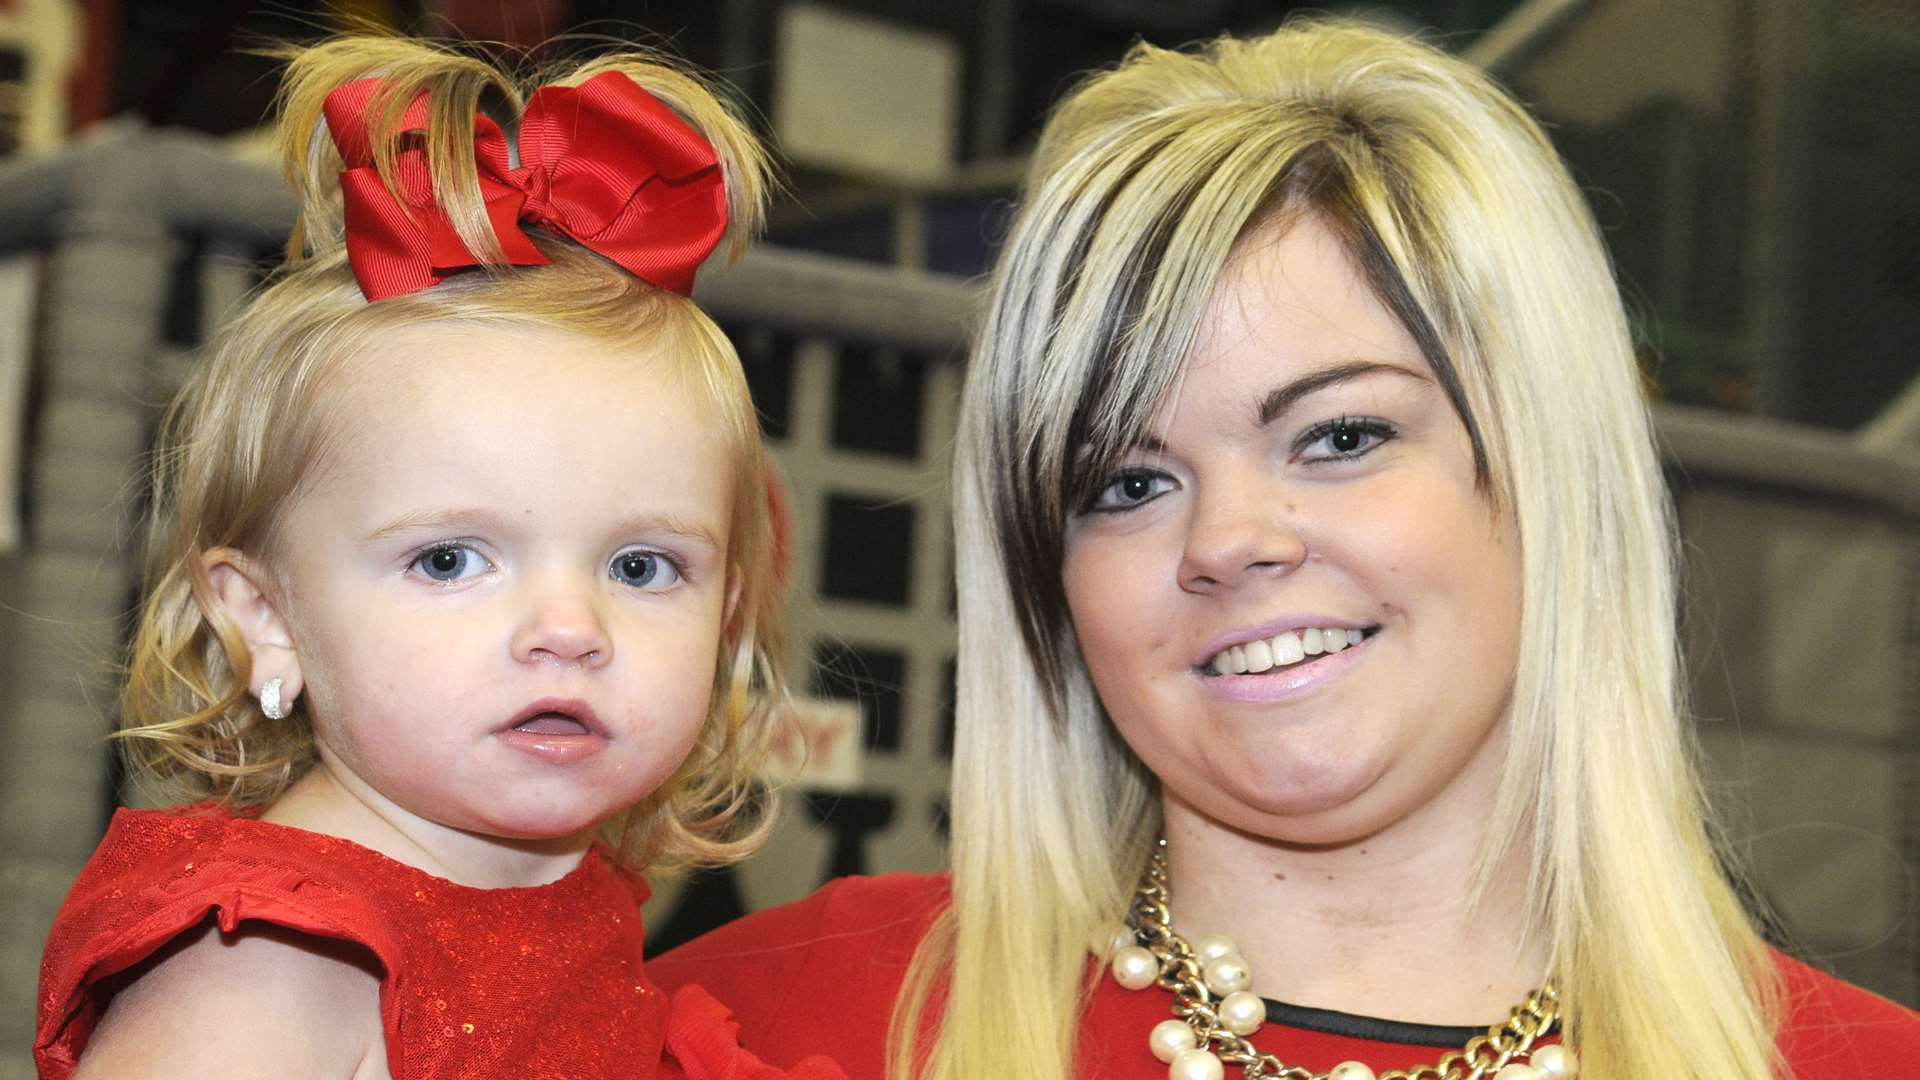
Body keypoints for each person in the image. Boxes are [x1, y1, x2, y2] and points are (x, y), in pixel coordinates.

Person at [649, 17, 1920, 1080]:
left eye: (1340, 435)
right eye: (1128, 480)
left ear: (1550, 476)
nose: (1229, 542)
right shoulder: (776, 1029)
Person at [36, 35, 841, 1080]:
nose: (568, 629)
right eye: (451, 561)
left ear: (730, 615)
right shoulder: (271, 968)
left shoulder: (561, 904)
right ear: (263, 618)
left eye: (642, 568)